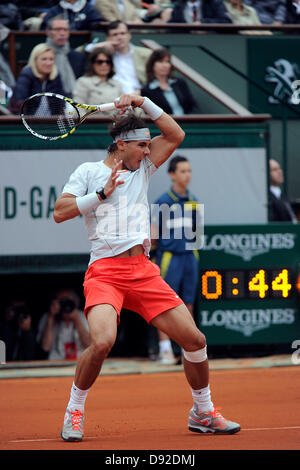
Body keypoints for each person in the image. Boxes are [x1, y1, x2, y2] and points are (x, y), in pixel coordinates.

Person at [53, 92, 240, 441]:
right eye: (142, 145)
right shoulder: (88, 172)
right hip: (105, 273)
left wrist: (143, 103)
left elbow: (175, 135)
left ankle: (203, 411)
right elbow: (59, 212)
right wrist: (101, 195)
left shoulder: (144, 167)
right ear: (121, 145)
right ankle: (74, 411)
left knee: (195, 340)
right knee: (104, 341)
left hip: (142, 270)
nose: (148, 150)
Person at [150, 155, 200, 364]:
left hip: (190, 257)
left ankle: (188, 349)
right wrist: (153, 257)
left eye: (189, 170)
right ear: (172, 174)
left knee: (187, 304)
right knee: (165, 305)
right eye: (182, 171)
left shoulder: (194, 201)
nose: (187, 175)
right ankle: (164, 349)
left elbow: (196, 234)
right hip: (169, 258)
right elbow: (153, 235)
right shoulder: (162, 202)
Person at [85, 20, 152, 94]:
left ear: (129, 35)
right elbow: (80, 51)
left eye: (123, 33)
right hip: (113, 97)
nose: (119, 37)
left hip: (141, 95)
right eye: (115, 34)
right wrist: (99, 46)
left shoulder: (146, 54)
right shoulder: (106, 55)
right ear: (108, 38)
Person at [8, 43, 65, 114]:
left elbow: (61, 105)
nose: (48, 63)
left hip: (52, 123)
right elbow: (18, 106)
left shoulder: (56, 76)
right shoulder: (26, 75)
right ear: (35, 60)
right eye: (44, 59)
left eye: (51, 59)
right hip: (29, 122)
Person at [141, 48, 200, 115]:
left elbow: (193, 106)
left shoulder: (180, 83)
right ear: (152, 65)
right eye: (160, 61)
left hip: (188, 123)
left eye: (167, 62)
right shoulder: (147, 90)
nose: (165, 65)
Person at [36, 288, 90, 360]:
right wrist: (51, 317)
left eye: (67, 300)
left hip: (80, 365)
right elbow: (45, 347)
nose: (64, 305)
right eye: (61, 301)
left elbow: (90, 346)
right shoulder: (47, 317)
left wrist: (76, 319)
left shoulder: (84, 316)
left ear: (75, 302)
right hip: (55, 366)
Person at [46, 15, 86, 97]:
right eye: (57, 29)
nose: (62, 33)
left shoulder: (78, 57)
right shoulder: (41, 55)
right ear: (48, 32)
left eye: (65, 30)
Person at [72, 47, 123, 111]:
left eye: (108, 62)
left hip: (116, 120)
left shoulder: (117, 84)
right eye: (100, 62)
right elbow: (78, 108)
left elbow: (123, 108)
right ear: (92, 64)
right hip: (93, 120)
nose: (104, 65)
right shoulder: (83, 82)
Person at [94, 0, 172, 24]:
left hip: (135, 29)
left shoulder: (124, 1)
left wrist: (147, 13)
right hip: (116, 33)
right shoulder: (102, 2)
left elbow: (134, 13)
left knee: (159, 21)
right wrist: (131, 23)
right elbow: (112, 21)